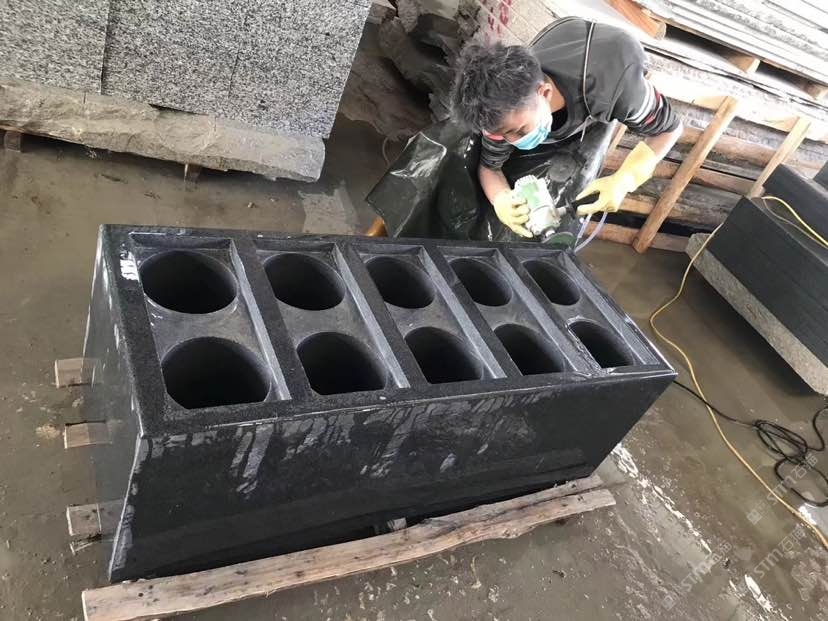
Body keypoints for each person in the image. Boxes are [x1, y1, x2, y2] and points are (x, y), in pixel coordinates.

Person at [367, 17, 684, 244]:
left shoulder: (618, 89)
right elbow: (490, 166)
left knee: (568, 187)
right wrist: (502, 200)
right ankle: (383, 233)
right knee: (452, 141)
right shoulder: (504, 110)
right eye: (504, 134)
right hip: (557, 57)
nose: (513, 142)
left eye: (518, 131)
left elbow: (670, 130)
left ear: (544, 92)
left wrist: (625, 179)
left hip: (602, 78)